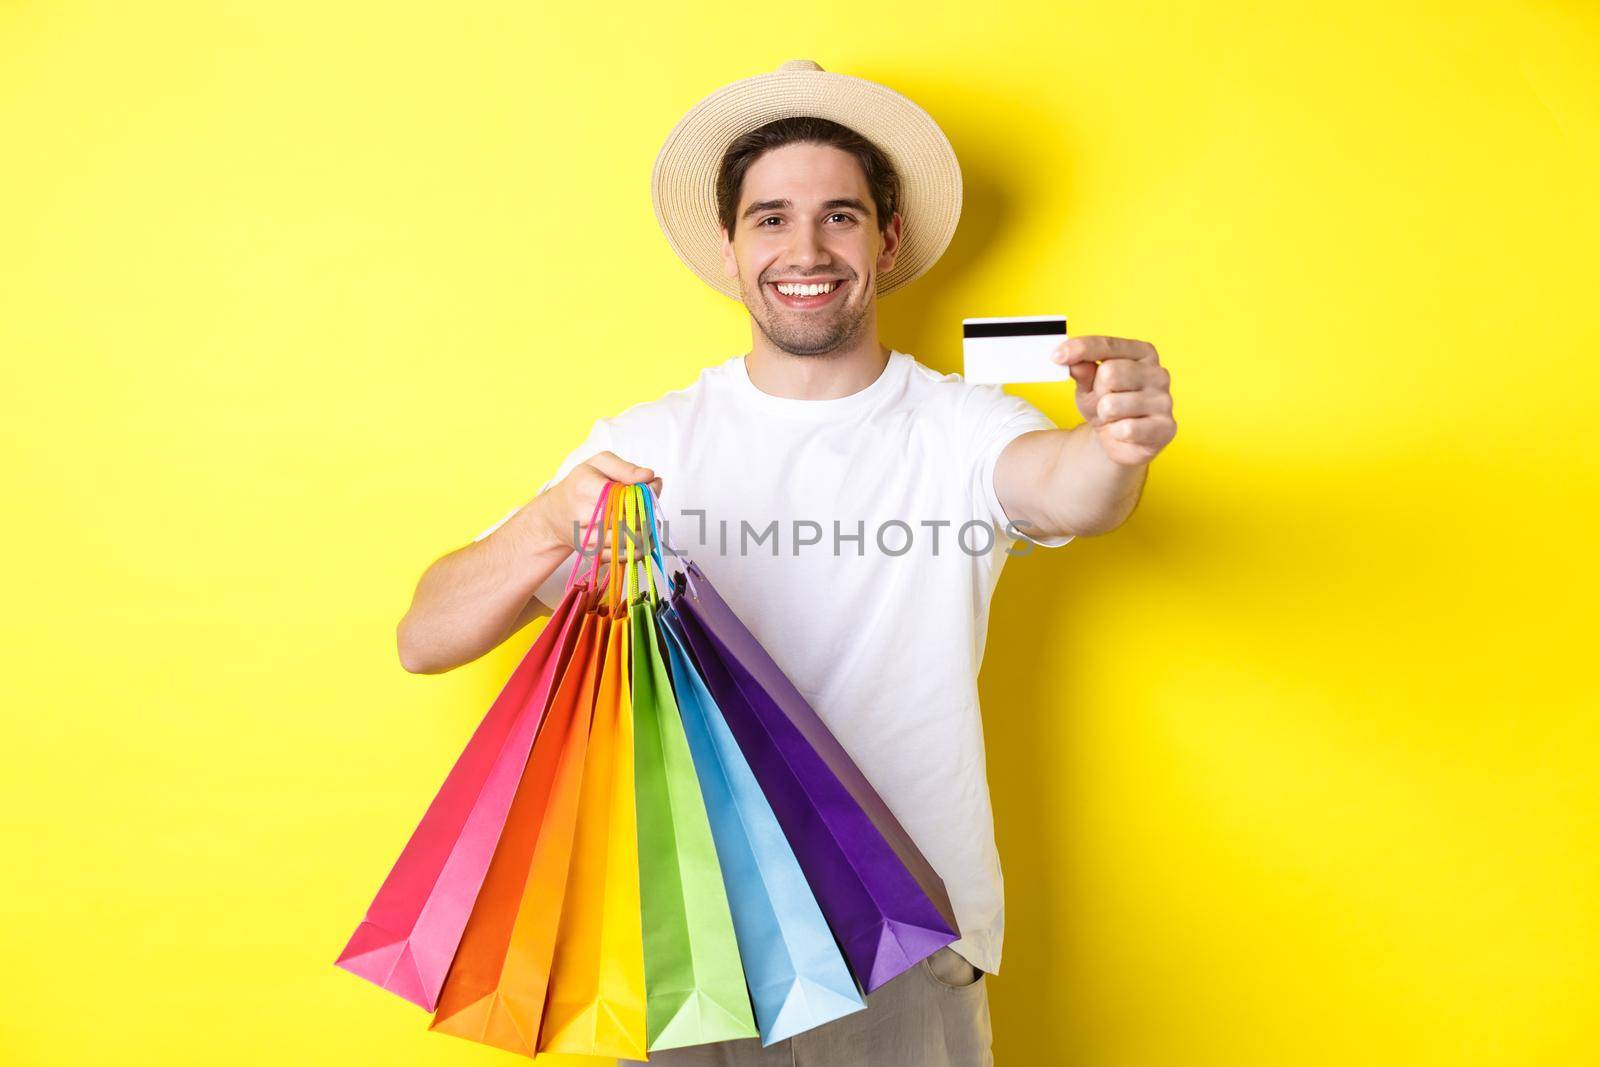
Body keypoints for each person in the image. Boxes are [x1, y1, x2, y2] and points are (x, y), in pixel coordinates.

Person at [397, 59, 1176, 1067]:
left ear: (886, 239)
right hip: (693, 942)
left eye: (839, 216)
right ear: (727, 247)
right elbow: (426, 636)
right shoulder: (649, 441)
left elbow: (1065, 486)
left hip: (900, 935)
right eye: (769, 218)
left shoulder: (960, 425)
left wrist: (1116, 448)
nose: (804, 247)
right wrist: (549, 522)